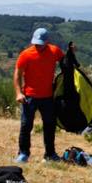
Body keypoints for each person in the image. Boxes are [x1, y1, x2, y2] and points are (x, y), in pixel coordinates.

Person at [14, 27, 68, 163]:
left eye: (41, 43)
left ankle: (50, 155)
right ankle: (23, 154)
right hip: (29, 97)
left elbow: (66, 63)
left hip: (48, 97)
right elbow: (17, 74)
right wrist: (19, 93)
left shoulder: (54, 51)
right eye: (36, 43)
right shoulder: (26, 54)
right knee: (26, 126)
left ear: (47, 41)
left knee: (49, 126)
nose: (38, 46)